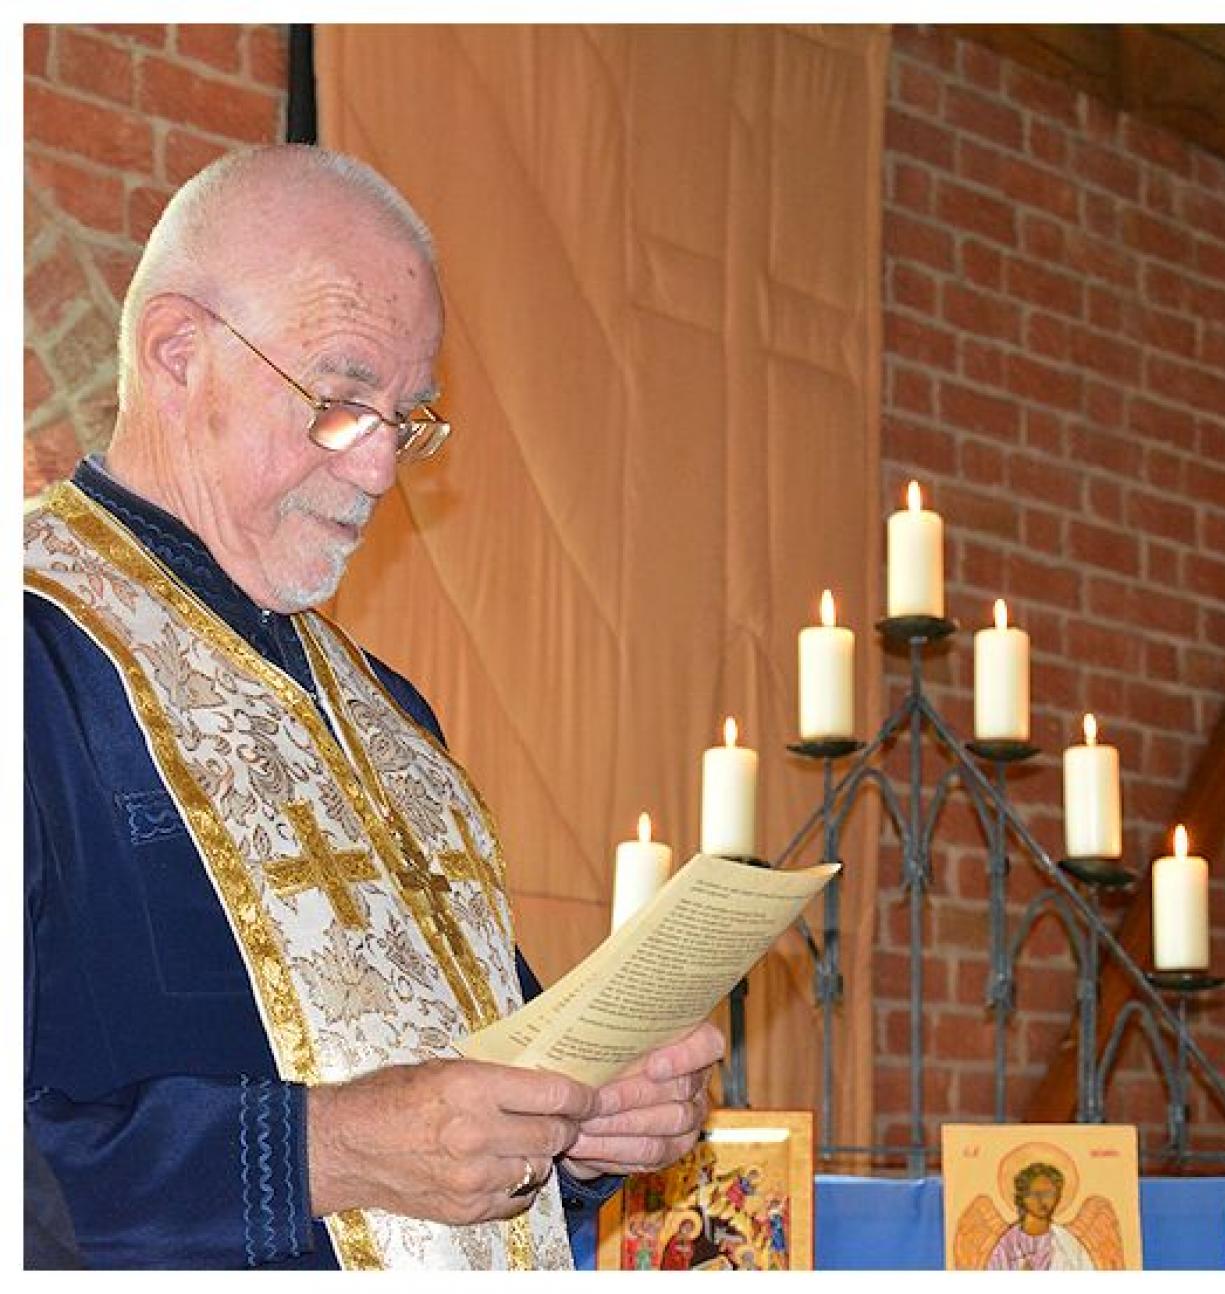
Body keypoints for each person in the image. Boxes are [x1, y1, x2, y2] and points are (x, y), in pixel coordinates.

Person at [24, 145, 725, 1269]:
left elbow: (469, 1118)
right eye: (343, 402)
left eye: (407, 417)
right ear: (176, 355)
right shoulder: (35, 660)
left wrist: (583, 1130)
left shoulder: (391, 718)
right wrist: (320, 1151)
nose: (382, 472)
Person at [985, 1162, 1096, 1270]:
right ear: (1023, 1197)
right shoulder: (1007, 1245)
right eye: (1036, 1193)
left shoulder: (1067, 1244)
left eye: (1049, 1194)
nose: (1042, 1200)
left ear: (1058, 1197)